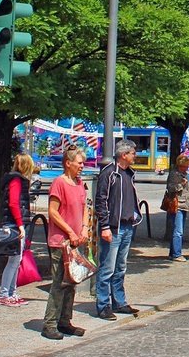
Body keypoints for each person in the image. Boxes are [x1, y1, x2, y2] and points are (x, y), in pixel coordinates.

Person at [42, 148, 90, 341]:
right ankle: (50, 324)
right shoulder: (59, 183)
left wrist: (85, 228)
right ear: (68, 163)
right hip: (60, 241)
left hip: (76, 240)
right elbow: (53, 212)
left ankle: (65, 321)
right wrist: (69, 231)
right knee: (59, 283)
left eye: (82, 163)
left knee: (72, 282)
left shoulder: (79, 183)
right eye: (79, 162)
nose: (82, 166)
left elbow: (84, 207)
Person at [93, 139, 141, 321]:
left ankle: (119, 301)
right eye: (133, 153)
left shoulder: (128, 173)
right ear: (124, 154)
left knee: (121, 267)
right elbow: (101, 201)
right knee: (107, 267)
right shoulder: (109, 173)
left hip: (127, 226)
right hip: (114, 228)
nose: (135, 156)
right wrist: (104, 226)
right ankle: (103, 305)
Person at [0, 153, 38, 307]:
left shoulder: (14, 179)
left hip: (13, 223)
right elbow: (14, 204)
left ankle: (11, 292)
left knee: (16, 259)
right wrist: (20, 224)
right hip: (14, 224)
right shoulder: (17, 180)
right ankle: (5, 293)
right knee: (14, 260)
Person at [165, 154, 189, 261]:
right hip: (178, 205)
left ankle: (173, 253)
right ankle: (177, 254)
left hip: (183, 204)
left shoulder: (184, 174)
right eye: (185, 166)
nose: (186, 168)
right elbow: (170, 188)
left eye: (187, 166)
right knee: (178, 231)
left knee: (177, 230)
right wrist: (181, 184)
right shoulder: (174, 174)